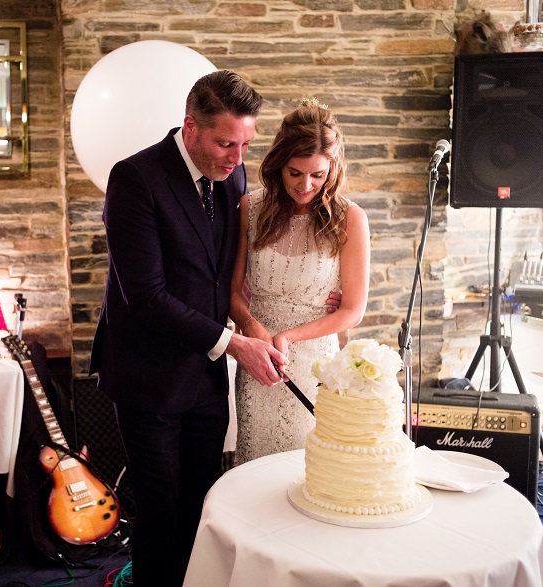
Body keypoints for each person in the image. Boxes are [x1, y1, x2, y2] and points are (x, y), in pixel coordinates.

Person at [88, 70, 289, 587]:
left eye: (245, 143)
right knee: (161, 512)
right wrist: (234, 344)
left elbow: (226, 273)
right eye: (225, 143)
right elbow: (147, 298)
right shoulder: (135, 179)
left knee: (205, 500)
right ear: (189, 127)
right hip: (147, 373)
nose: (237, 157)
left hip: (206, 371)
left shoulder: (234, 176)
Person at [230, 99, 371, 465]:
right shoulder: (251, 208)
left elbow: (353, 311)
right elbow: (230, 292)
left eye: (318, 175)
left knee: (310, 471)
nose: (305, 185)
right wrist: (251, 325)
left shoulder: (350, 219)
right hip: (259, 358)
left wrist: (290, 336)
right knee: (255, 466)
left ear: (333, 169)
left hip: (314, 363)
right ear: (279, 164)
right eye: (295, 173)